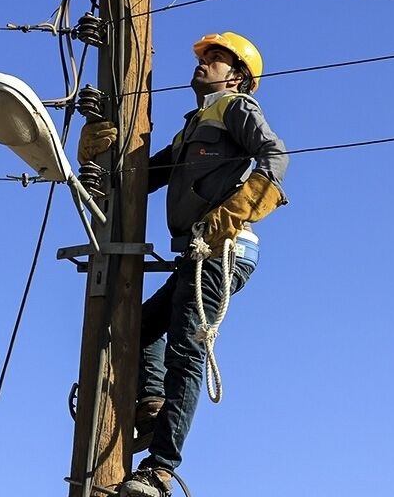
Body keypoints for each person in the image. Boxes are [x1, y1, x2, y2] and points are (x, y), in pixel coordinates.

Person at [78, 32, 288, 497]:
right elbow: (141, 179)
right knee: (132, 329)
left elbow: (275, 156)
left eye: (216, 59)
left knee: (185, 352)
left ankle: (160, 470)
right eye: (205, 56)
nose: (204, 63)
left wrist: (232, 213)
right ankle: (152, 407)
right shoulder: (194, 126)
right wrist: (95, 158)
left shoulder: (235, 108)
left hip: (222, 251)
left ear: (237, 76)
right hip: (194, 255)